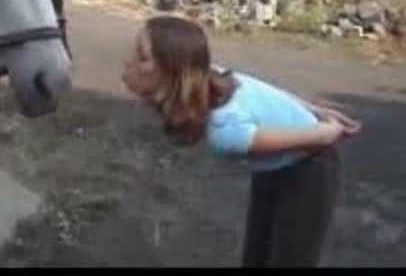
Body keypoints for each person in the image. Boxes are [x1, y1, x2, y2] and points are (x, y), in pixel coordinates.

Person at [121, 15, 362, 267]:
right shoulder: (211, 76)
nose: (128, 60)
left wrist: (329, 127)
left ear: (173, 73)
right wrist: (314, 110)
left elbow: (319, 138)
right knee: (257, 255)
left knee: (291, 258)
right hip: (277, 167)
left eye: (142, 56)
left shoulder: (224, 130)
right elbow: (266, 93)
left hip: (311, 164)